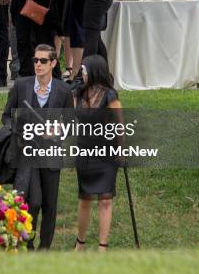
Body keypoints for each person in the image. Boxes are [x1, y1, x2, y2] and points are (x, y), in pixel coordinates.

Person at [1, 44, 73, 250]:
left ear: (53, 63)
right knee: (32, 202)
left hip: (51, 155)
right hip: (28, 154)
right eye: (35, 60)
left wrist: (58, 130)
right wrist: (17, 131)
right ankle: (28, 243)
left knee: (50, 206)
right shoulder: (21, 85)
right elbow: (7, 116)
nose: (38, 65)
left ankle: (44, 249)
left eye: (43, 61)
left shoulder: (63, 90)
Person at [73, 55, 123, 252]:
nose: (82, 73)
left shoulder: (110, 95)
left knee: (105, 199)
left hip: (106, 154)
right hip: (84, 151)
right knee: (84, 198)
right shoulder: (78, 92)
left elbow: (119, 126)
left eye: (84, 70)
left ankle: (103, 246)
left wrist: (121, 151)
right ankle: (81, 242)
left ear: (94, 71)